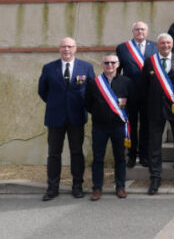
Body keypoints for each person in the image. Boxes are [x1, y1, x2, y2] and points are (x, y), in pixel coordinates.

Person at [38, 37, 96, 201]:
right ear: (59, 49)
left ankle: (77, 186)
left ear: (75, 48)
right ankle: (52, 188)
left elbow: (91, 91)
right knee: (54, 154)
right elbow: (43, 91)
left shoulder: (86, 67)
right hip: (55, 117)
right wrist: (57, 104)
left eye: (70, 46)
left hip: (76, 116)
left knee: (76, 153)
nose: (66, 49)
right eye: (63, 46)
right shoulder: (49, 68)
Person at [142, 33, 174, 195]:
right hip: (156, 109)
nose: (165, 46)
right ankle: (155, 176)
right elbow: (145, 86)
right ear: (157, 45)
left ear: (172, 45)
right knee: (155, 144)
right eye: (162, 43)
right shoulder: (150, 62)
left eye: (168, 43)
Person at [84, 53, 132, 200]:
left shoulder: (126, 81)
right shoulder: (94, 83)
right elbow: (88, 103)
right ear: (102, 65)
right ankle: (97, 188)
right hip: (100, 126)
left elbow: (132, 102)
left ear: (118, 64)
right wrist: (101, 114)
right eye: (106, 63)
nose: (109, 65)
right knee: (98, 158)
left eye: (112, 63)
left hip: (118, 126)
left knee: (120, 158)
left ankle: (120, 186)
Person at [116, 21, 157, 168]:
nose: (140, 32)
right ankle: (132, 155)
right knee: (131, 125)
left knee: (146, 125)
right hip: (130, 93)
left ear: (147, 31)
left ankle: (144, 155)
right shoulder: (123, 48)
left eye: (143, 29)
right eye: (137, 29)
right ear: (132, 31)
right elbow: (117, 72)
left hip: (148, 93)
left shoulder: (155, 46)